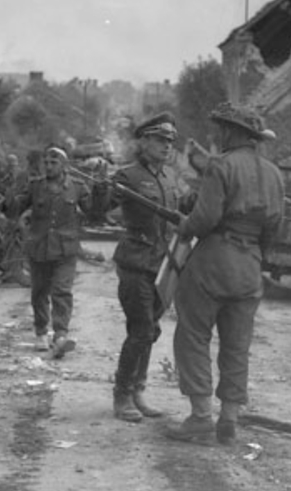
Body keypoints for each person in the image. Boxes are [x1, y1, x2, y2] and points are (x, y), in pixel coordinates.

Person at [167, 102, 283, 445]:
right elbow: (275, 227)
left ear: (232, 132)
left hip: (215, 260)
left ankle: (201, 416)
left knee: (193, 335)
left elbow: (204, 219)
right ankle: (229, 418)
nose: (216, 135)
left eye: (220, 129)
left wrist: (185, 225)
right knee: (237, 345)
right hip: (250, 265)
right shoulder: (275, 174)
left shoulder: (221, 166)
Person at [108, 112, 193, 422]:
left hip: (163, 265)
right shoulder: (127, 176)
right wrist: (104, 192)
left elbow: (186, 207)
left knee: (151, 330)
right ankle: (122, 395)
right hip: (135, 261)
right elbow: (97, 208)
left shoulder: (171, 177)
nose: (166, 146)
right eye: (159, 140)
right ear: (143, 142)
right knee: (141, 328)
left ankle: (137, 390)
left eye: (170, 141)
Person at [8, 146, 93, 359]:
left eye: (53, 163)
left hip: (66, 250)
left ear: (64, 166)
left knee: (62, 291)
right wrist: (11, 194)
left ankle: (61, 335)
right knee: (39, 292)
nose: (48, 166)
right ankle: (41, 331)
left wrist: (101, 189)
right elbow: (13, 208)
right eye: (46, 162)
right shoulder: (35, 187)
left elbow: (96, 210)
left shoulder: (77, 187)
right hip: (39, 248)